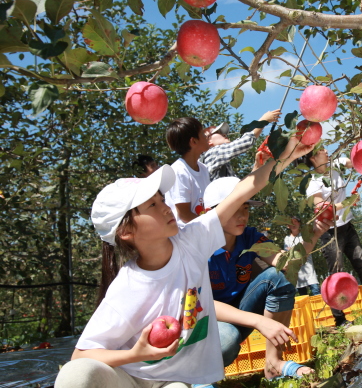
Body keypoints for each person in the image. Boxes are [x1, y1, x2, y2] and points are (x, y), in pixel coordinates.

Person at [53, 136, 313, 388]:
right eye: (152, 206)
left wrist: (286, 155)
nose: (166, 208)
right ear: (126, 232)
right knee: (77, 376)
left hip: (173, 381)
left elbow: (244, 189)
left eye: (162, 200)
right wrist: (137, 353)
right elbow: (81, 355)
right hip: (129, 379)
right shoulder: (127, 287)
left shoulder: (191, 242)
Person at [203, 177, 332, 379]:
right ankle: (201, 379)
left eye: (246, 208)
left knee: (278, 276)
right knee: (226, 340)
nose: (243, 215)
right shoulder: (200, 247)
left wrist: (314, 233)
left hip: (241, 311)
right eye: (235, 207)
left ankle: (274, 363)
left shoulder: (249, 236)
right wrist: (258, 321)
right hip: (208, 323)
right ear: (211, 212)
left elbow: (287, 262)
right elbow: (201, 304)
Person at [303, 148, 362, 326]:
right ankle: (339, 319)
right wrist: (346, 203)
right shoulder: (314, 182)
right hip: (330, 233)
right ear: (313, 158)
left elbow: (354, 163)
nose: (326, 150)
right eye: (321, 150)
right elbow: (320, 207)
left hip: (347, 226)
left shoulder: (335, 166)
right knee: (336, 274)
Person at [201, 109, 281, 180]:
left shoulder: (223, 165)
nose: (224, 135)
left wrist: (257, 165)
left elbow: (240, 190)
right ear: (208, 142)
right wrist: (263, 121)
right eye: (219, 133)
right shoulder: (212, 153)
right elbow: (245, 141)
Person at [165, 117, 211, 227]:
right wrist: (213, 224)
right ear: (193, 141)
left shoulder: (203, 169)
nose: (207, 137)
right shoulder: (179, 171)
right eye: (203, 134)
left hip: (201, 233)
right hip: (185, 237)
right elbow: (184, 215)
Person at [284, 217, 321, 296]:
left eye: (296, 221)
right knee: (303, 296)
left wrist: (294, 249)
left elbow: (307, 249)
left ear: (299, 223)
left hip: (309, 268)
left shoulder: (304, 235)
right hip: (298, 272)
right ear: (288, 226)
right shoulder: (287, 239)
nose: (294, 224)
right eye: (291, 222)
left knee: (316, 291)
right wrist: (301, 248)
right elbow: (288, 253)